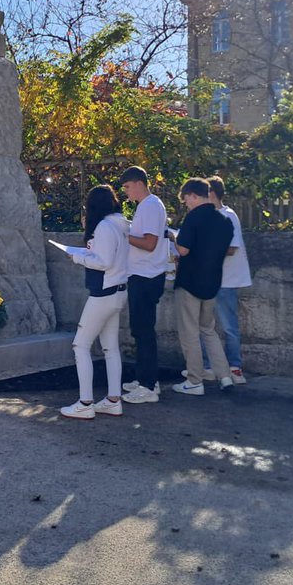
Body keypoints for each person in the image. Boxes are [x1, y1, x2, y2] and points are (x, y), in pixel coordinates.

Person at [60, 185, 131, 420]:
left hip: (103, 291)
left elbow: (103, 262)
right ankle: (113, 400)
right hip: (119, 291)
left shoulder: (104, 227)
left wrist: (78, 257)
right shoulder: (121, 224)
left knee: (80, 345)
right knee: (110, 348)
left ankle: (85, 402)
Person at [169, 178, 235, 396]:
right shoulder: (225, 221)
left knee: (189, 332)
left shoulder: (193, 217)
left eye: (186, 199)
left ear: (193, 196)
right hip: (212, 282)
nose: (186, 203)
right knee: (209, 330)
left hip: (189, 282)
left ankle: (194, 380)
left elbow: (184, 250)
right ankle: (225, 376)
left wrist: (173, 237)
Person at [117, 167, 169, 405]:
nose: (126, 192)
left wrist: (123, 236)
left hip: (145, 276)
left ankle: (148, 387)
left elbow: (149, 243)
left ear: (138, 183)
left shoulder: (149, 206)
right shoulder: (150, 205)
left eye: (127, 187)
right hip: (145, 274)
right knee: (141, 330)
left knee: (144, 331)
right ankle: (146, 379)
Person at [203, 176, 251, 384]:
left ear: (211, 193)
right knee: (205, 326)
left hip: (225, 281)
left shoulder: (228, 216)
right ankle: (209, 367)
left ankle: (235, 368)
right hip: (210, 280)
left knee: (228, 325)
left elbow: (231, 248)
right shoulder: (210, 216)